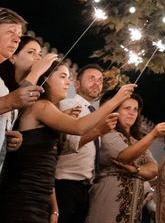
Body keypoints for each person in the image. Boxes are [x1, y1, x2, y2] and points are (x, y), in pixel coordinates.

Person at [0, 63, 136, 222]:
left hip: (41, 196)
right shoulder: (41, 106)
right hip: (23, 195)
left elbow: (48, 164)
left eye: (68, 78)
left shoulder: (50, 108)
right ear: (45, 79)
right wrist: (116, 100)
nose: (68, 83)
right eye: (62, 77)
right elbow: (79, 127)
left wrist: (54, 208)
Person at [86, 90, 165, 223]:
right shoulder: (107, 133)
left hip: (132, 206)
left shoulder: (137, 141)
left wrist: (136, 170)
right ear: (115, 111)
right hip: (110, 197)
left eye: (135, 109)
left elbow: (154, 168)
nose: (132, 113)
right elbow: (124, 157)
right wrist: (152, 135)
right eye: (127, 108)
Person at [55, 64, 116, 223]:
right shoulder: (69, 105)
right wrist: (98, 131)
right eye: (91, 78)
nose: (97, 83)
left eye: (100, 80)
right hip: (65, 184)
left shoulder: (93, 114)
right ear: (76, 84)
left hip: (85, 188)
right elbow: (69, 145)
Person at [0, 9, 47, 170]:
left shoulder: (3, 86)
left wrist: (8, 137)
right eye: (10, 32)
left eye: (19, 35)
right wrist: (8, 102)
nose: (16, 39)